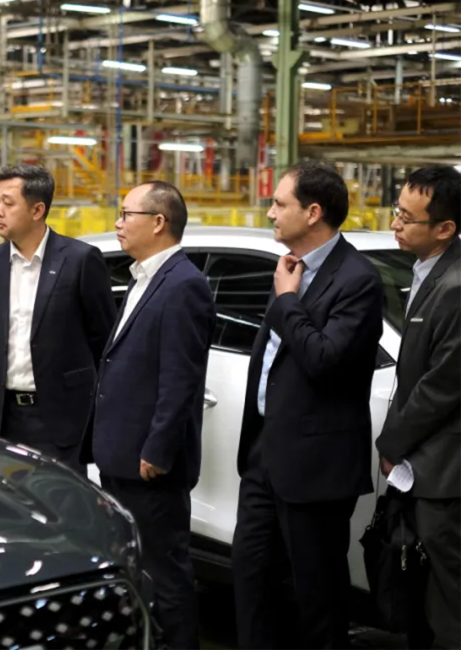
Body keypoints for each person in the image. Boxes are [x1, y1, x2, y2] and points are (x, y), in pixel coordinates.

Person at [232, 161, 385, 650]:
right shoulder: (290, 267)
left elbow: (323, 359)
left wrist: (286, 300)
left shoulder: (356, 279)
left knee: (317, 597)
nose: (270, 212)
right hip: (264, 456)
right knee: (252, 581)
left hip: (315, 467)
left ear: (313, 212)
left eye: (280, 204)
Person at [81, 181, 214, 650]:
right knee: (136, 569)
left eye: (126, 214)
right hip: (122, 454)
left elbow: (180, 378)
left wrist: (157, 449)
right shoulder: (145, 277)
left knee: (165, 571)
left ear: (158, 222)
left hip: (149, 463)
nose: (117, 223)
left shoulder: (183, 285)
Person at [0, 163, 116, 471]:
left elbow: (102, 339)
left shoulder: (79, 260)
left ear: (37, 210)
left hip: (61, 419)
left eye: (8, 203)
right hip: (6, 417)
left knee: (61, 497)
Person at [375, 165, 460, 650]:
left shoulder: (455, 287)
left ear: (445, 228)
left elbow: (440, 387)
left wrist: (391, 444)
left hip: (445, 470)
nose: (395, 224)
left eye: (407, 218)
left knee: (450, 597)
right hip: (428, 465)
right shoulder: (428, 271)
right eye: (397, 211)